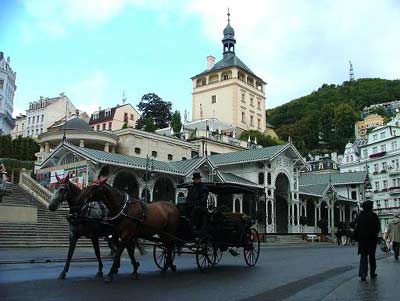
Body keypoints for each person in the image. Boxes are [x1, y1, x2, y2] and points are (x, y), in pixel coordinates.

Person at [353, 201, 381, 281]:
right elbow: (378, 227)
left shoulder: (360, 216)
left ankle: (363, 274)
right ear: (370, 207)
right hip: (372, 239)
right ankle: (372, 273)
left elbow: (357, 227)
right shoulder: (374, 215)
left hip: (363, 240)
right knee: (372, 257)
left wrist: (356, 237)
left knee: (363, 257)